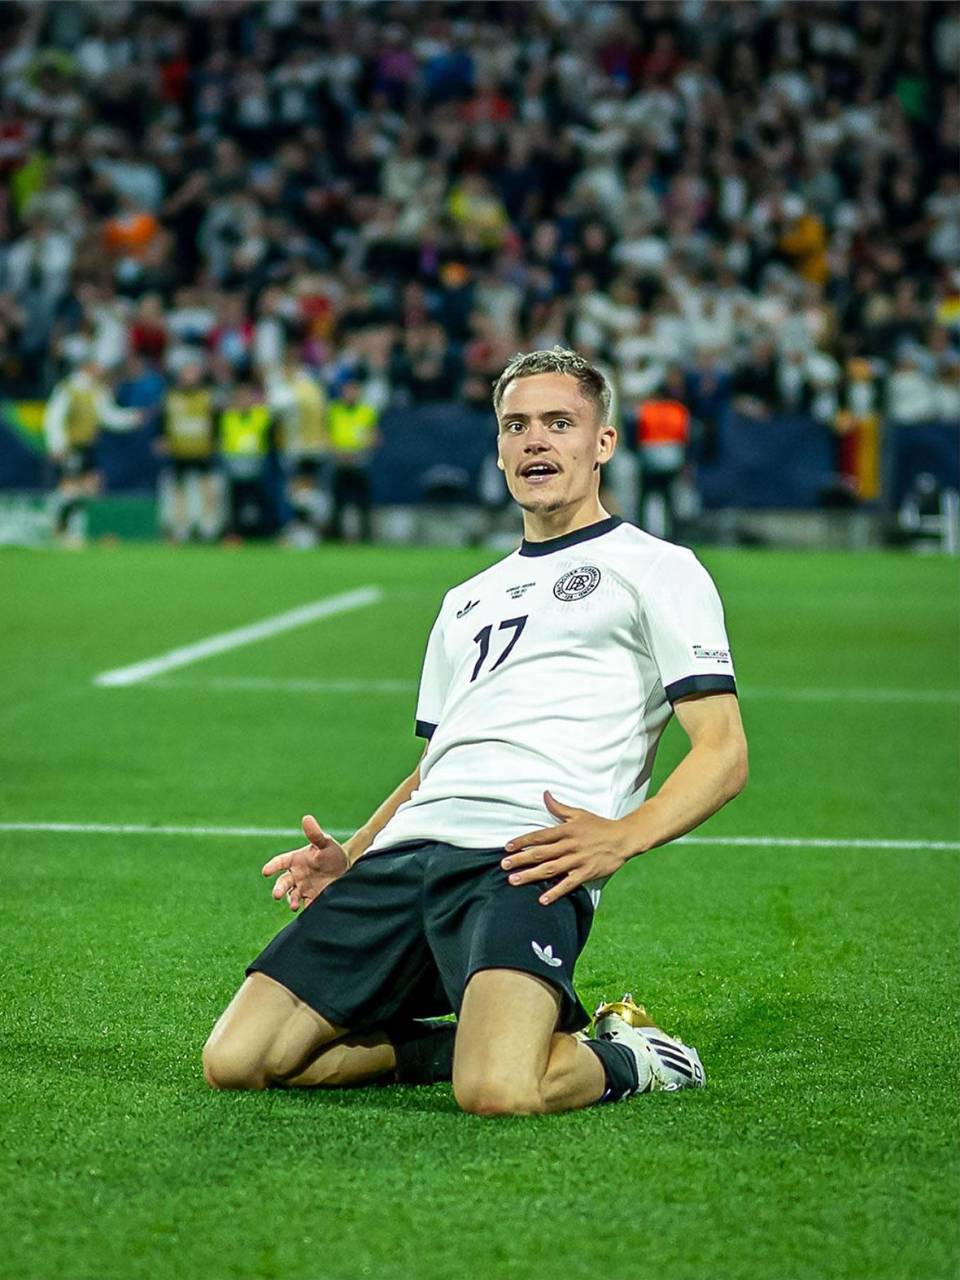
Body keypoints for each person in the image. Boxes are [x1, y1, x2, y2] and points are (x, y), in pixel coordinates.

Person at [203, 347, 748, 1115]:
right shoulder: (467, 598)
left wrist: (622, 837)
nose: (535, 441)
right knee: (239, 1061)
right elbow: (436, 764)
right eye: (516, 425)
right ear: (497, 449)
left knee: (497, 1091)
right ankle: (471, 1039)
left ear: (603, 443)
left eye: (560, 423)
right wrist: (353, 856)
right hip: (405, 858)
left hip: (523, 857)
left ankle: (631, 1057)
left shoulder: (658, 568)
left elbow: (723, 752)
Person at [43, 358, 145, 545]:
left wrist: (131, 418)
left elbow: (108, 415)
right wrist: (56, 445)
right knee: (71, 489)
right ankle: (57, 524)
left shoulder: (97, 390)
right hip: (71, 446)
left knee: (89, 488)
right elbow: (53, 417)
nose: (101, 370)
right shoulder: (69, 388)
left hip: (88, 446)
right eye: (98, 366)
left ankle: (72, 530)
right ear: (87, 366)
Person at [157, 360, 221, 543]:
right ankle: (180, 526)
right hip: (179, 449)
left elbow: (216, 420)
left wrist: (215, 441)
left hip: (202, 449)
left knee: (206, 488)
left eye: (193, 373)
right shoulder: (171, 397)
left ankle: (208, 526)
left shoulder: (207, 396)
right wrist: (162, 438)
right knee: (179, 489)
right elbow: (162, 420)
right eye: (187, 372)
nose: (190, 377)